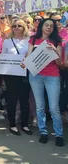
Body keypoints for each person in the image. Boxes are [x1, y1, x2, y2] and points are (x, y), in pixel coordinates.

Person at [22, 18, 64, 146]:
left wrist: (55, 50)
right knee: (40, 106)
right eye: (46, 25)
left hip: (52, 76)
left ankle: (59, 134)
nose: (49, 27)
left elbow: (59, 63)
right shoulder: (33, 39)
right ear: (41, 26)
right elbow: (29, 57)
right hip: (36, 76)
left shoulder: (57, 41)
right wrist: (24, 63)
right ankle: (43, 132)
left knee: (54, 107)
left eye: (51, 26)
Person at [1, 19, 32, 136]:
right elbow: (3, 58)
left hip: (25, 74)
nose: (17, 27)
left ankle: (24, 124)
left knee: (24, 100)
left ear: (24, 27)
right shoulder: (7, 42)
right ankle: (12, 124)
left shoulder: (29, 41)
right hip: (11, 75)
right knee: (12, 101)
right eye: (14, 26)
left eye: (20, 25)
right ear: (12, 28)